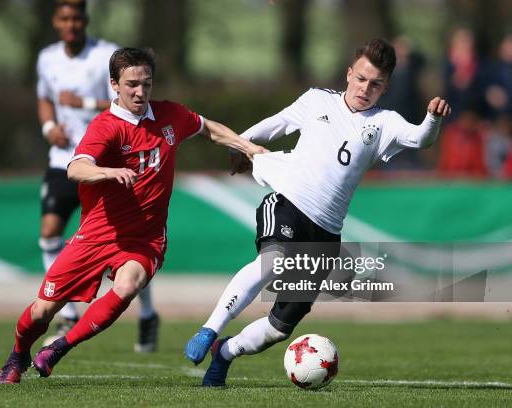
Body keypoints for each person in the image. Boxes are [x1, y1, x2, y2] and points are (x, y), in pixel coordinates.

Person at [184, 38, 451, 387]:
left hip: (326, 234)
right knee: (272, 260)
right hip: (288, 205)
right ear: (349, 73)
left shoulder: (385, 123)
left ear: (385, 87)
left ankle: (225, 352)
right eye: (360, 79)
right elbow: (276, 124)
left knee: (279, 329)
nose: (365, 89)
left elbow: (420, 139)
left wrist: (432, 118)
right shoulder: (317, 101)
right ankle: (209, 329)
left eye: (375, 84)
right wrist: (241, 144)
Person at [0, 47, 267, 384]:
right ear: (114, 84)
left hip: (145, 237)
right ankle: (18, 353)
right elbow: (76, 169)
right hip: (97, 234)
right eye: (132, 84)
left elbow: (207, 127)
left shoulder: (169, 116)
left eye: (147, 84)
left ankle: (60, 348)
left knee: (128, 284)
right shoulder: (106, 127)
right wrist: (108, 172)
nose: (140, 92)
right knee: (42, 310)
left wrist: (248, 148)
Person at [36, 0, 159, 352]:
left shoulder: (105, 54)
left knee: (131, 245)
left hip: (112, 163)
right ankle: (70, 312)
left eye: (76, 17)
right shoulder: (47, 58)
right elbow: (44, 97)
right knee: (49, 229)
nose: (70, 24)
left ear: (85, 20)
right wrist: (48, 127)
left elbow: (131, 102)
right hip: (68, 160)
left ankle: (148, 314)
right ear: (56, 21)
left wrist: (84, 105)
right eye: (64, 18)